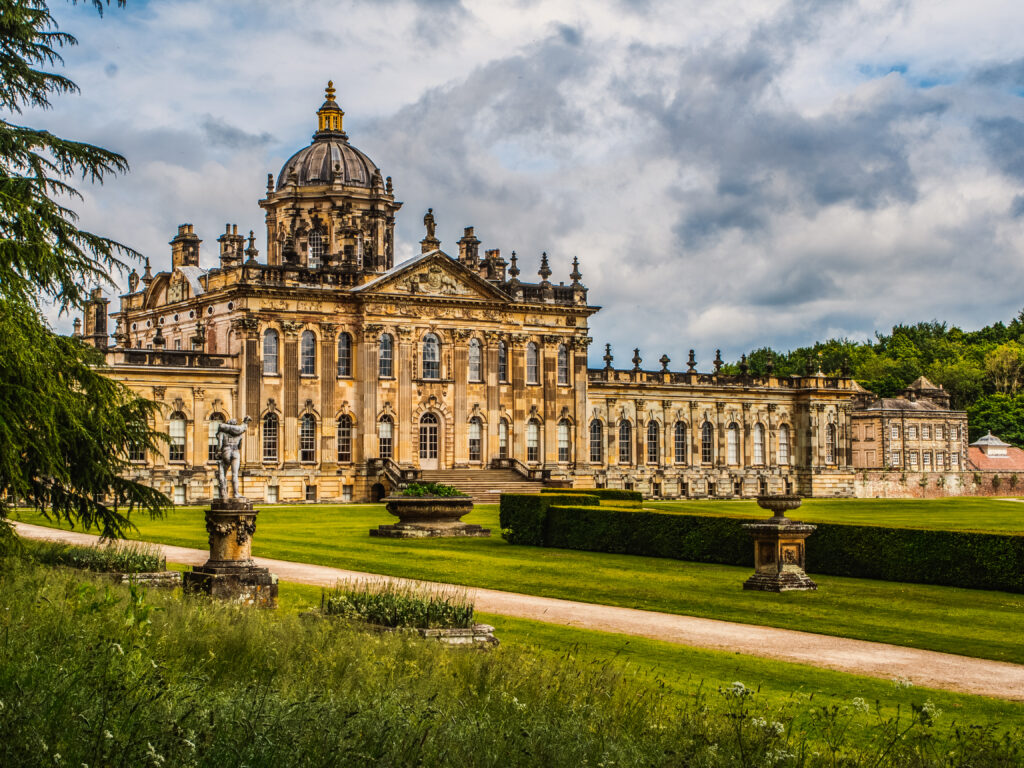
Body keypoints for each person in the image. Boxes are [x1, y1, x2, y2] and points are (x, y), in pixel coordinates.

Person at [216, 416, 251, 499]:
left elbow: (219, 445)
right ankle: (236, 493)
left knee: (222, 472)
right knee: (235, 474)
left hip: (226, 451)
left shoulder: (222, 433)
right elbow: (240, 446)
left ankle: (223, 494)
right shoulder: (239, 434)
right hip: (235, 452)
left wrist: (218, 453)